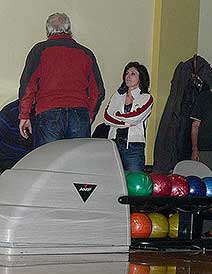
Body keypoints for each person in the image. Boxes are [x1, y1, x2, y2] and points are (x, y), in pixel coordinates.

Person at [18, 13, 105, 148]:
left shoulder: (40, 50)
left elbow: (28, 86)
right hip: (79, 114)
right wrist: (90, 114)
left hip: (49, 113)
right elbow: (98, 91)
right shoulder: (86, 53)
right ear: (69, 29)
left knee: (47, 162)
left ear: (48, 30)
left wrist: (24, 115)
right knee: (76, 163)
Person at [104, 62, 153, 172]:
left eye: (133, 74)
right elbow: (107, 117)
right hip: (114, 144)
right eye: (126, 73)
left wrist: (117, 116)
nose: (128, 76)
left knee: (134, 182)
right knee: (113, 179)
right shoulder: (117, 95)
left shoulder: (145, 98)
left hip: (134, 147)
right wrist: (127, 123)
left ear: (141, 78)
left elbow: (135, 117)